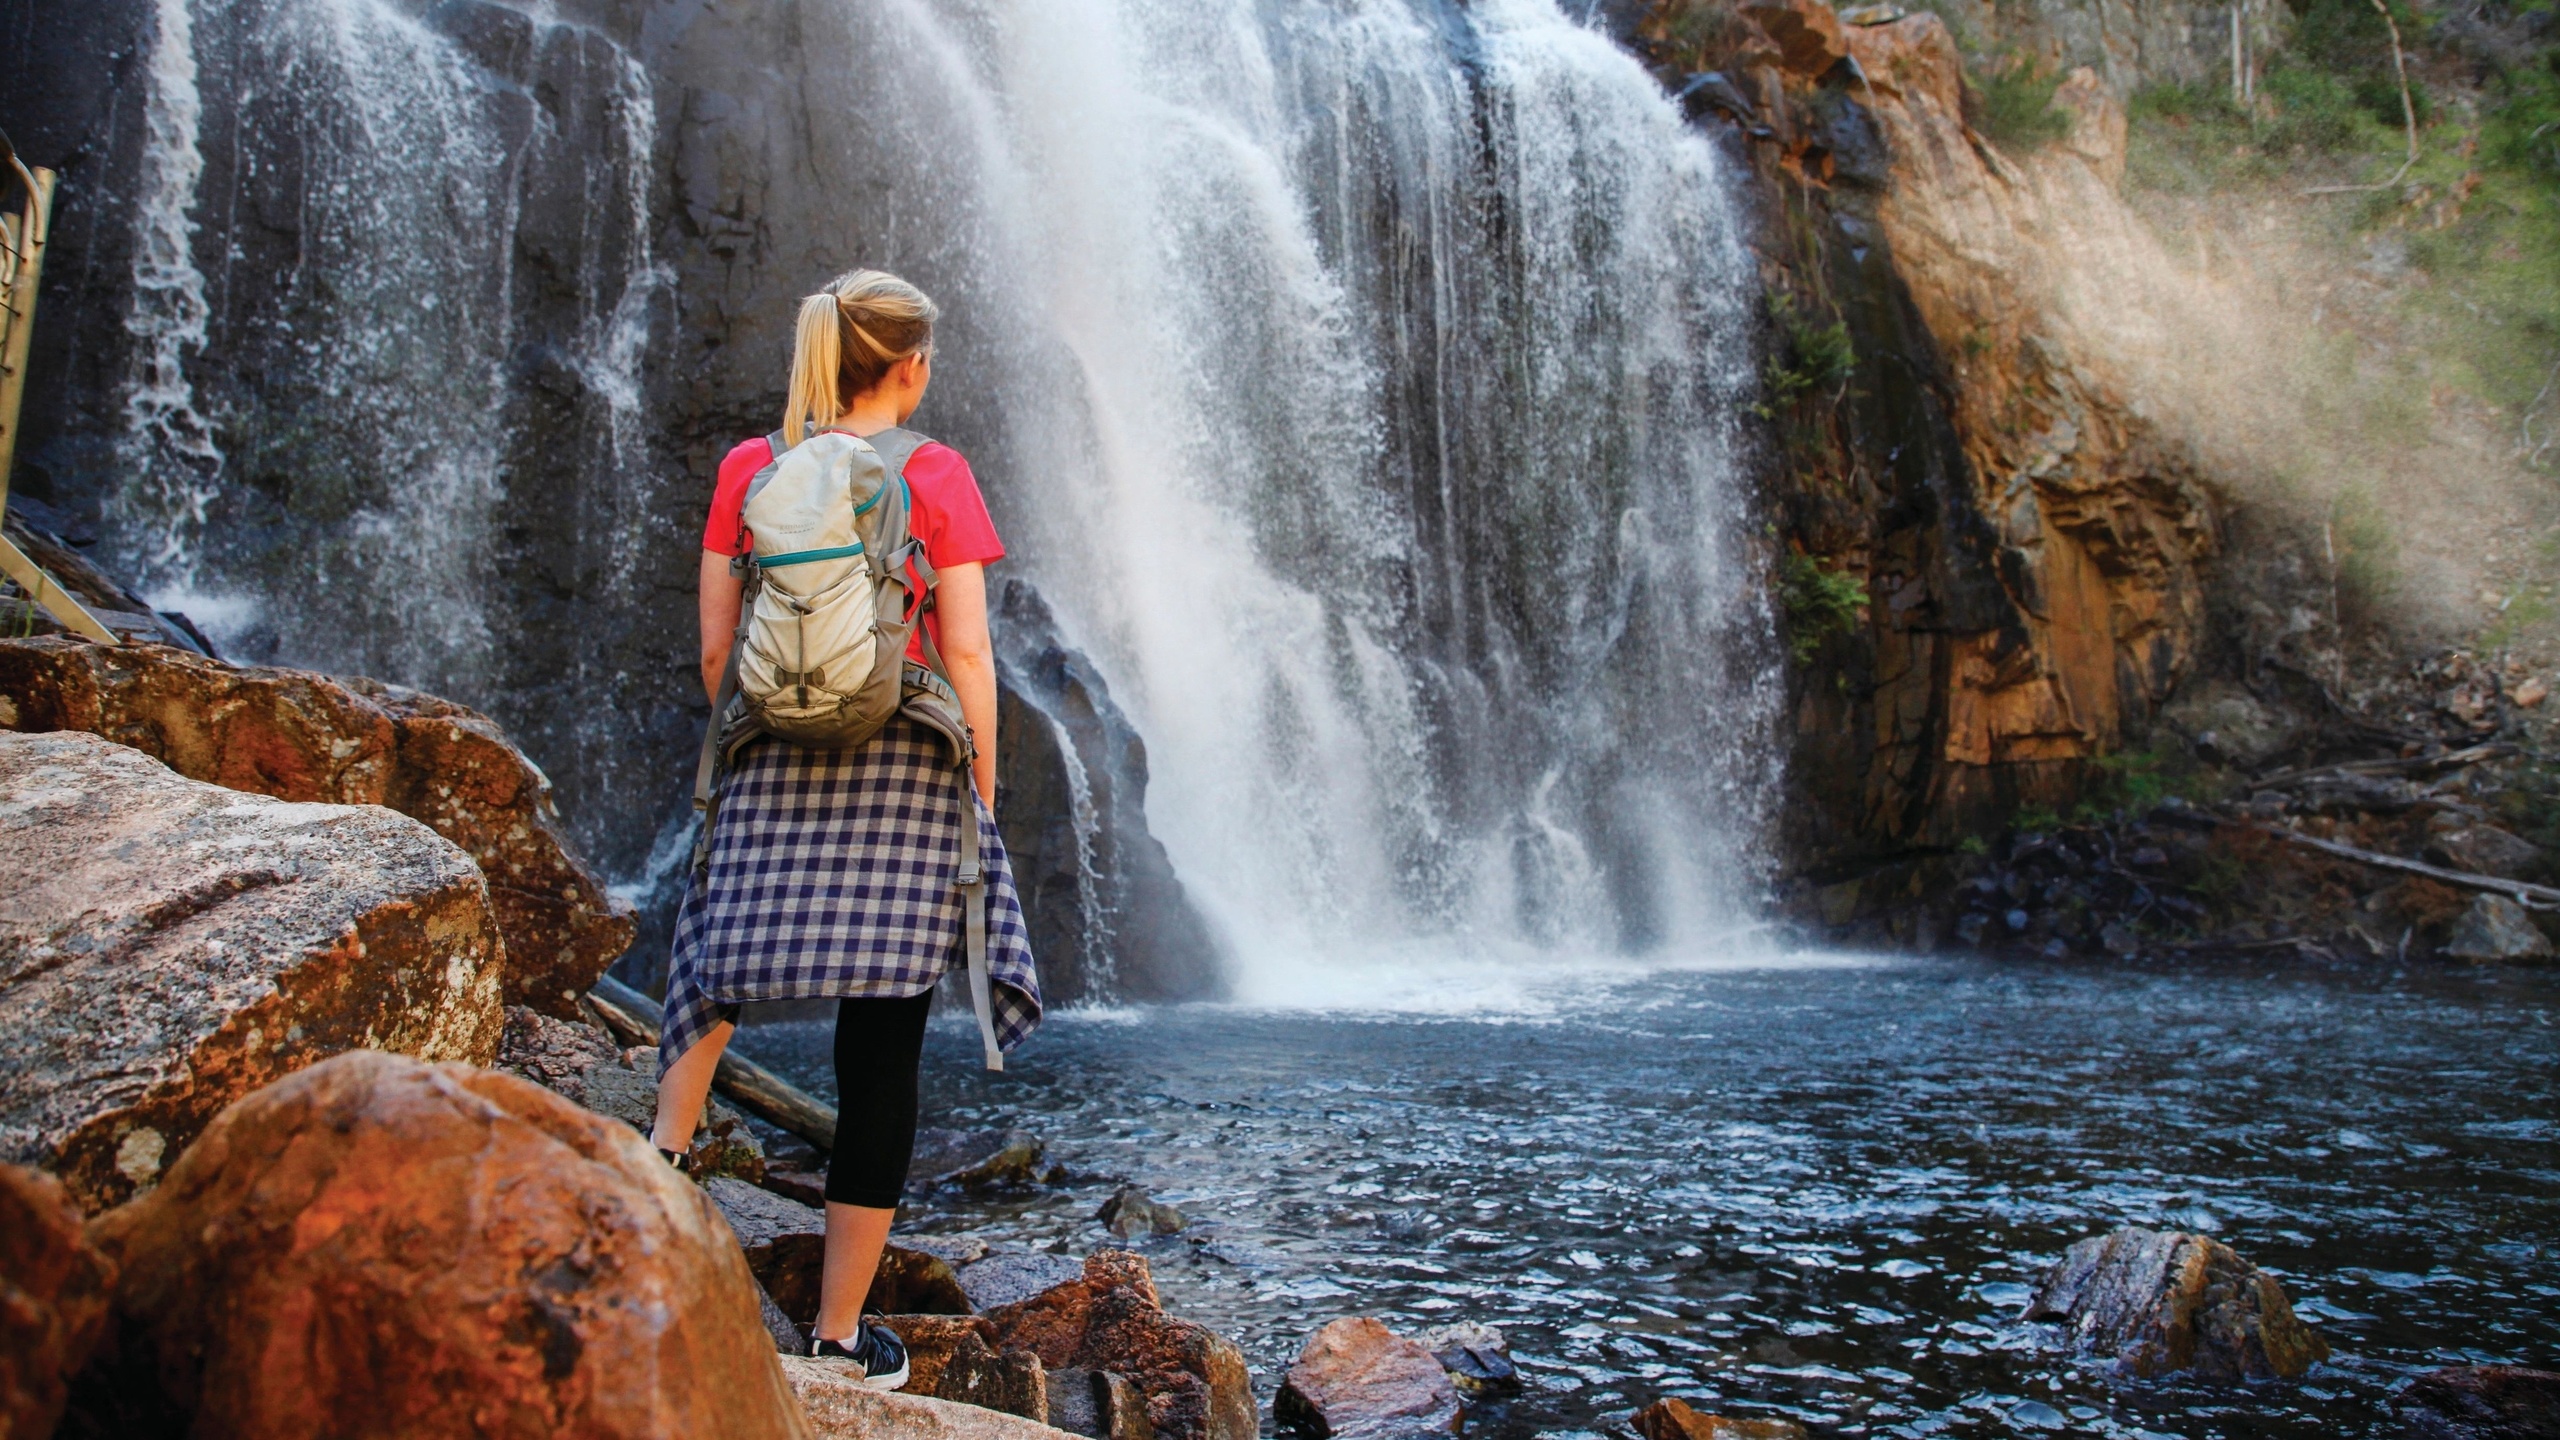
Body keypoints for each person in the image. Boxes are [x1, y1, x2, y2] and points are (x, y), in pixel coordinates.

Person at [648, 269, 1041, 1386]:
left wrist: (749, 744)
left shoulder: (749, 467)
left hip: (772, 748)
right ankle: (832, 1340)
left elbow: (719, 648)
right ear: (910, 366)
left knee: (715, 962)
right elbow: (966, 650)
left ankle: (656, 1169)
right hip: (907, 761)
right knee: (881, 1052)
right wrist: (982, 784)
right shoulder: (937, 471)